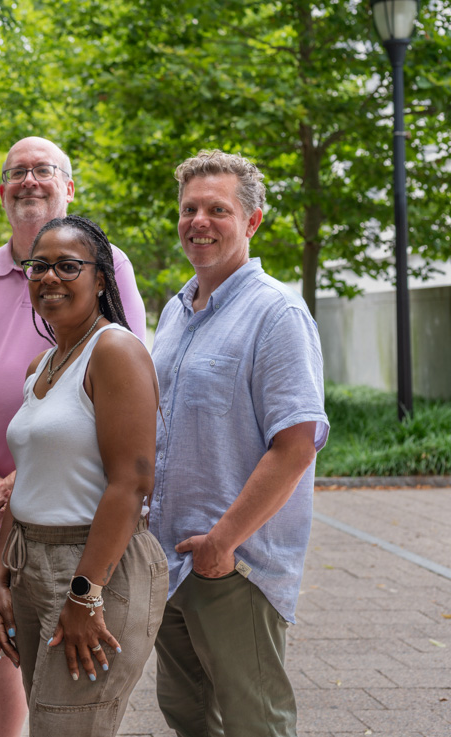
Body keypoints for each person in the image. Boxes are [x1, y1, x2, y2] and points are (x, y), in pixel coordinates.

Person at [0, 135, 147, 737]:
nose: (28, 181)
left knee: (68, 707)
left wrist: (85, 592)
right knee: (4, 659)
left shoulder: (112, 330)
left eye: (44, 170)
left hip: (79, 521)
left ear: (69, 188)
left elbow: (130, 463)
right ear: (2, 192)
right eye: (16, 173)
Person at [150, 150, 329, 737]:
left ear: (251, 222)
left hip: (234, 565)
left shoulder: (276, 313)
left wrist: (223, 543)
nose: (198, 221)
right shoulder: (177, 312)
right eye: (189, 209)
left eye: (218, 210)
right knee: (189, 718)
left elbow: (297, 444)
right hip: (171, 562)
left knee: (255, 723)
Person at [0, 215, 167, 735]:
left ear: (101, 279)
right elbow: (32, 475)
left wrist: (85, 595)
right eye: (38, 266)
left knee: (64, 726)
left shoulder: (114, 351)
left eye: (68, 266)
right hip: (31, 562)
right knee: (46, 721)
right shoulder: (41, 365)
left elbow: (132, 483)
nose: (49, 278)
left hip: (95, 568)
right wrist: (2, 567)